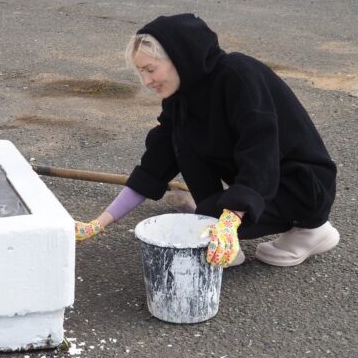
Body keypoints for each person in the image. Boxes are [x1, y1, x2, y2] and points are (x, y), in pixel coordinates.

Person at [74, 14, 340, 268]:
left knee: (208, 218)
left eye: (150, 69)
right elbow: (154, 165)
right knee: (181, 140)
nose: (145, 81)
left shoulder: (238, 76)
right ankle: (214, 223)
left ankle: (310, 229)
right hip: (262, 184)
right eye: (140, 72)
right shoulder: (181, 97)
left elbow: (261, 152)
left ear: (180, 57)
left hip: (302, 187)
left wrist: (232, 216)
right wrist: (99, 222)